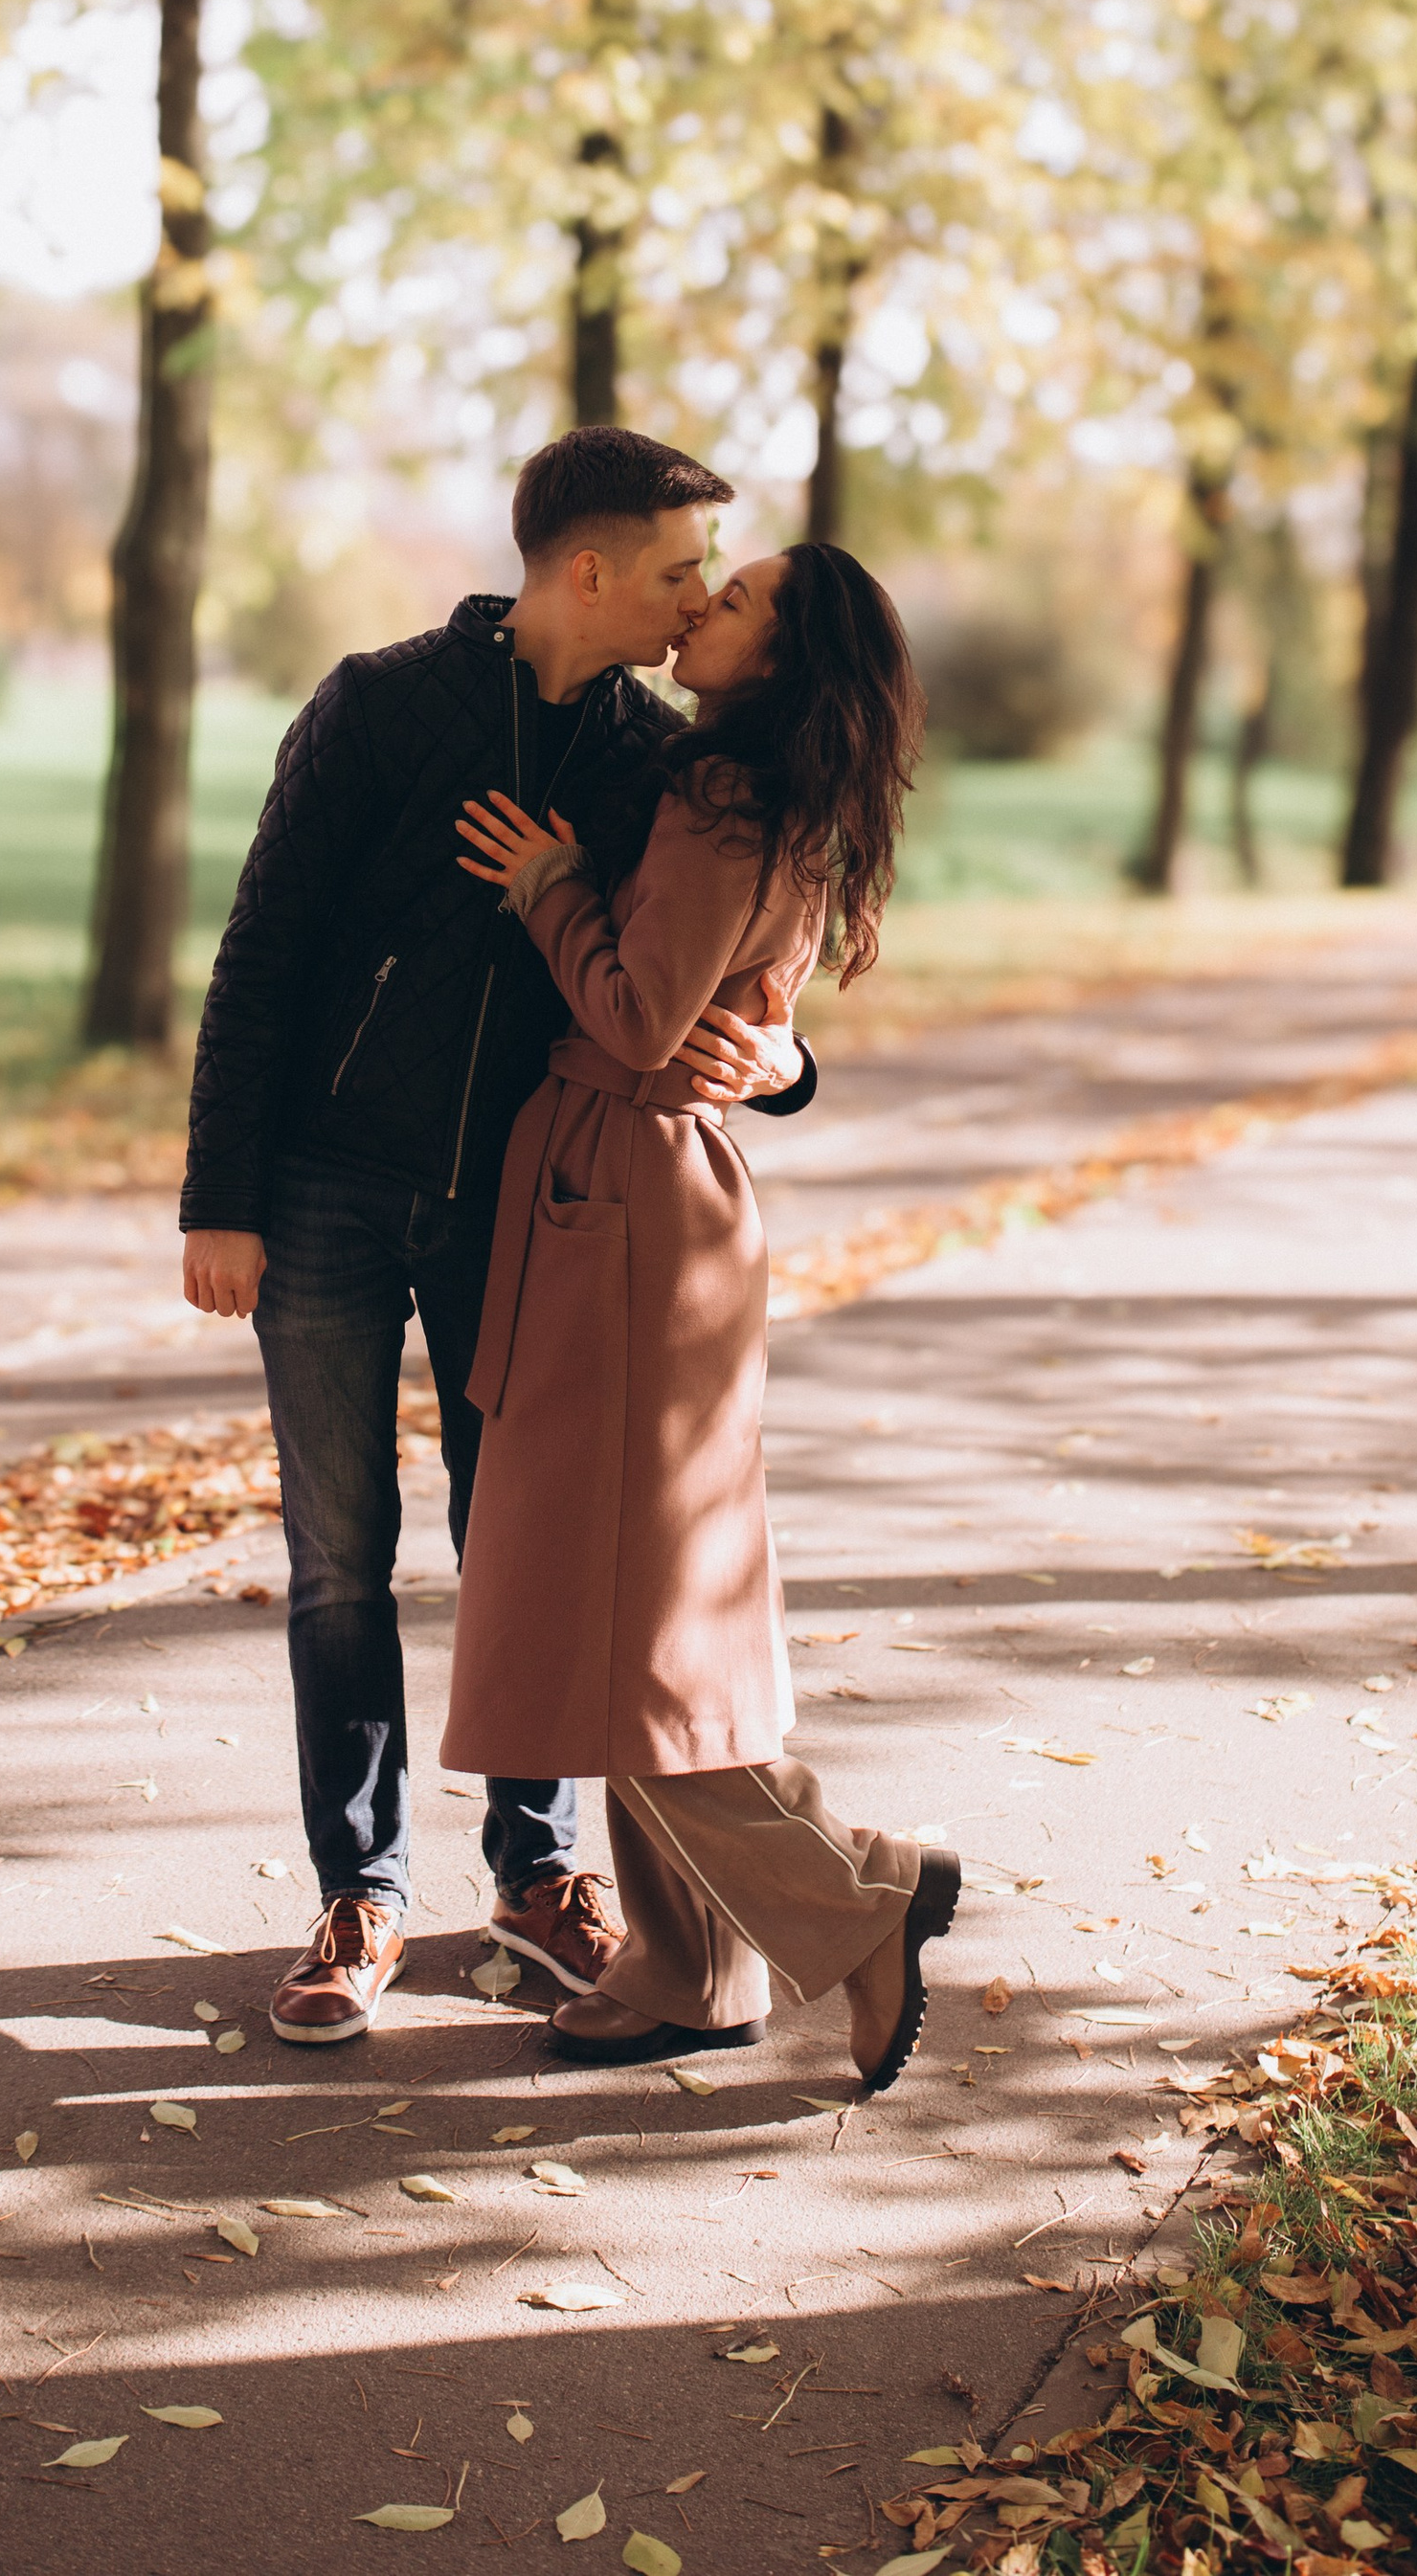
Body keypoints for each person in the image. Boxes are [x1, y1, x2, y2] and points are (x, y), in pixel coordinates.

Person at [179, 428, 818, 2044]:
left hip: (519, 1206)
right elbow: (259, 957)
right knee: (338, 1559)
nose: (695, 602)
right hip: (322, 1190)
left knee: (519, 1548)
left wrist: (794, 1063)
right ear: (587, 570)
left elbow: (739, 951)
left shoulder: (657, 761)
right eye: (679, 569)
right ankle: (363, 1891)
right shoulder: (378, 707)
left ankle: (538, 1874)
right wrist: (224, 1197)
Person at [442, 541, 960, 2088]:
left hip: (628, 1215)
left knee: (623, 1633)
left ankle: (862, 1898)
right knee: (638, 1614)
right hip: (656, 1201)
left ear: (783, 658)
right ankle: (689, 1972)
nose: (700, 608)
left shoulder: (718, 792)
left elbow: (637, 1012)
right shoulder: (764, 789)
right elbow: (734, 1017)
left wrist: (546, 888)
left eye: (731, 598)